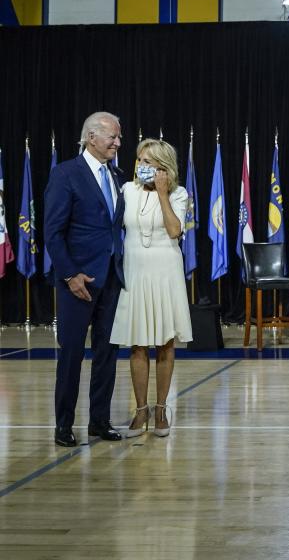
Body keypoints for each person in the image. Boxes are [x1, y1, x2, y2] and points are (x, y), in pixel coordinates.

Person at [44, 112, 125, 447]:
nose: (118, 143)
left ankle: (99, 421)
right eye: (113, 137)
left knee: (107, 353)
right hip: (77, 281)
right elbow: (52, 231)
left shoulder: (119, 176)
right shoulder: (66, 174)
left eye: (119, 138)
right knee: (72, 354)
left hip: (112, 280)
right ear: (92, 137)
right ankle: (64, 424)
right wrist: (70, 274)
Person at [110, 138, 192, 438]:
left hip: (165, 273)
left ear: (163, 167)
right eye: (139, 161)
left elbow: (174, 230)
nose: (141, 167)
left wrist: (161, 194)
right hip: (135, 272)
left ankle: (161, 409)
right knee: (138, 344)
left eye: (148, 162)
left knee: (165, 343)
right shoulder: (127, 191)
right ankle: (140, 410)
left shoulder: (179, 194)